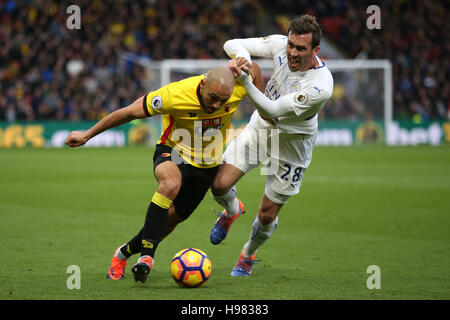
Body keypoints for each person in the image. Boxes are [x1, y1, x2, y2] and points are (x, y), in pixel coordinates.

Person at [65, 65, 263, 283]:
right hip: (174, 151)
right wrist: (87, 134)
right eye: (213, 97)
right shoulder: (174, 94)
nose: (216, 105)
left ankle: (122, 253)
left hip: (207, 165)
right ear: (203, 84)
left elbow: (255, 69)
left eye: (222, 101)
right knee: (169, 184)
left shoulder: (237, 88)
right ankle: (147, 257)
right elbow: (129, 112)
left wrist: (255, 92)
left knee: (167, 222)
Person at [209, 15, 334, 276]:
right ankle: (232, 210)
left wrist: (245, 80)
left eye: (301, 48)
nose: (292, 52)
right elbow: (232, 44)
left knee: (266, 214)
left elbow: (271, 108)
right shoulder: (280, 45)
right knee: (219, 184)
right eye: (291, 45)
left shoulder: (321, 86)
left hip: (293, 143)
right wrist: (244, 60)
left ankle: (248, 254)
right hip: (261, 129)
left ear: (315, 51)